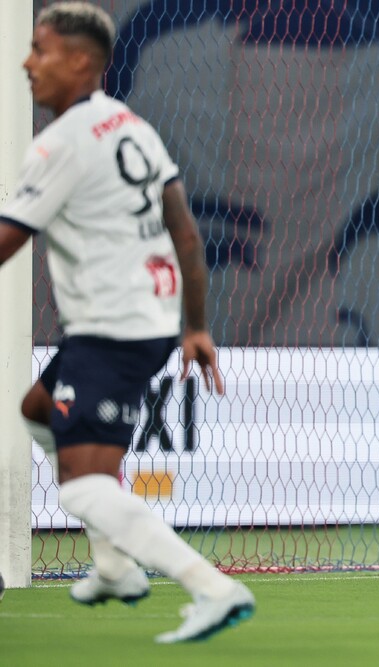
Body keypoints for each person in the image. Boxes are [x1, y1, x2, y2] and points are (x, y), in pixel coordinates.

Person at [0, 2, 255, 642]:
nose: (28, 64)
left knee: (82, 489)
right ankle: (114, 567)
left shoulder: (60, 143)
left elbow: (7, 239)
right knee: (38, 411)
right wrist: (195, 326)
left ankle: (213, 588)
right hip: (146, 320)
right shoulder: (131, 126)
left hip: (111, 332)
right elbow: (185, 233)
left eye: (40, 50)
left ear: (80, 61)